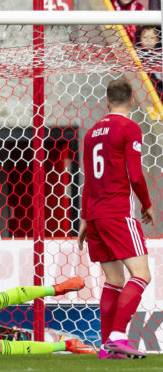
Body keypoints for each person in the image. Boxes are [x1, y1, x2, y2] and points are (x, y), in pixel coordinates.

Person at [77, 79, 154, 360]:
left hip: (95, 215)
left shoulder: (92, 132)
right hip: (117, 213)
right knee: (142, 275)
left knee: (114, 281)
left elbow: (87, 179)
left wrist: (84, 218)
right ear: (132, 101)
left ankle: (106, 348)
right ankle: (118, 337)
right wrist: (147, 205)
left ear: (107, 102)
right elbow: (135, 175)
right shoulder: (129, 127)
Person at [135, 26, 162, 100]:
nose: (148, 40)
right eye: (145, 37)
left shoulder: (160, 51)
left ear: (158, 39)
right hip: (152, 80)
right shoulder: (138, 51)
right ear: (139, 38)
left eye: (152, 38)